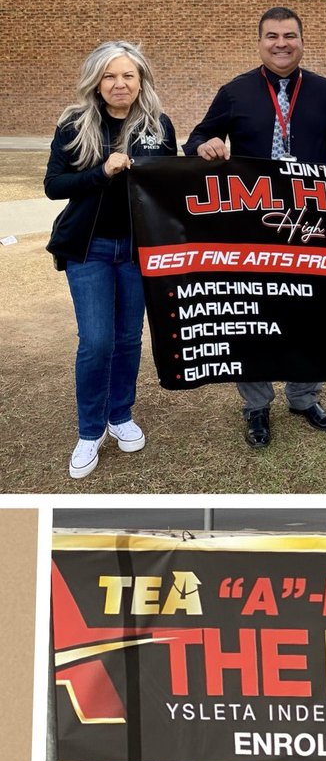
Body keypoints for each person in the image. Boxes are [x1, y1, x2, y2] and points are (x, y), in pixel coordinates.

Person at [184, 6, 326, 448]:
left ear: (302, 41)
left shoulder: (325, 91)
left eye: (289, 35)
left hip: (313, 225)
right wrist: (204, 144)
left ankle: (304, 398)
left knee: (311, 312)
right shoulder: (235, 92)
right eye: (272, 36)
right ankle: (256, 406)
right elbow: (196, 138)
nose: (281, 43)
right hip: (253, 226)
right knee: (254, 316)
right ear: (259, 42)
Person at [45, 41, 177, 479]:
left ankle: (120, 415)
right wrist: (101, 171)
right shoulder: (74, 124)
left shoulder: (158, 126)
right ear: (96, 81)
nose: (119, 84)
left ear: (141, 81)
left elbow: (170, 187)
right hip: (89, 248)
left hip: (138, 252)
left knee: (127, 339)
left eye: (128, 76)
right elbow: (54, 185)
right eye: (109, 76)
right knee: (96, 341)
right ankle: (89, 430)